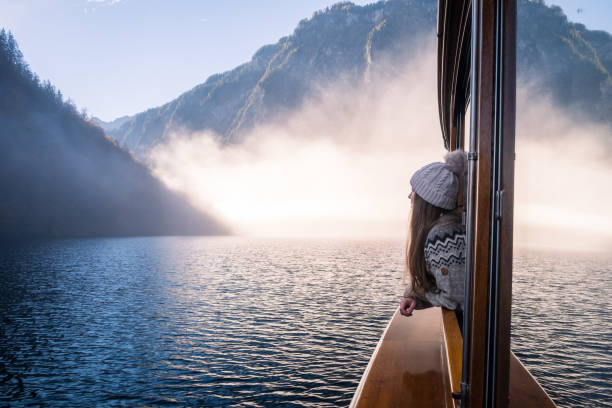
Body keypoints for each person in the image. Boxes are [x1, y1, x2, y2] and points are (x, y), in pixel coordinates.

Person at [399, 149, 467, 321]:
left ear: (426, 201)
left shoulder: (442, 236)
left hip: (464, 337)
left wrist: (422, 297)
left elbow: (455, 298)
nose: (409, 196)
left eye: (413, 191)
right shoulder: (447, 229)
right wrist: (413, 296)